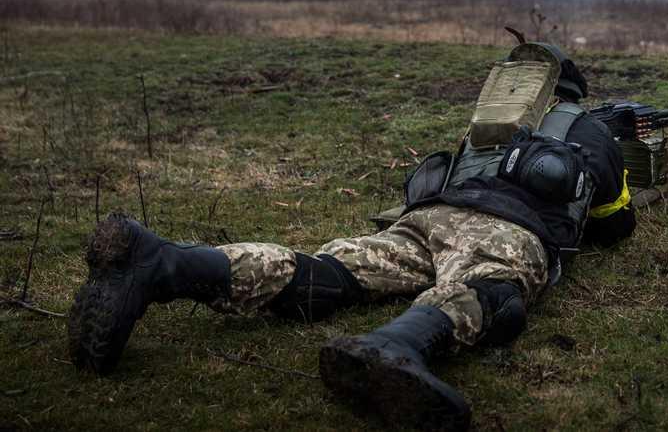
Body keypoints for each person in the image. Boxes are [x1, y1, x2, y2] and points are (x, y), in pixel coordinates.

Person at [67, 42, 634, 430]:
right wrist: (616, 148)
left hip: (425, 220)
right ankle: (399, 345)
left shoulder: (486, 128)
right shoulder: (587, 128)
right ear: (573, 92)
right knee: (491, 293)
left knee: (328, 275)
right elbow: (612, 224)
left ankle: (162, 262)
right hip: (508, 231)